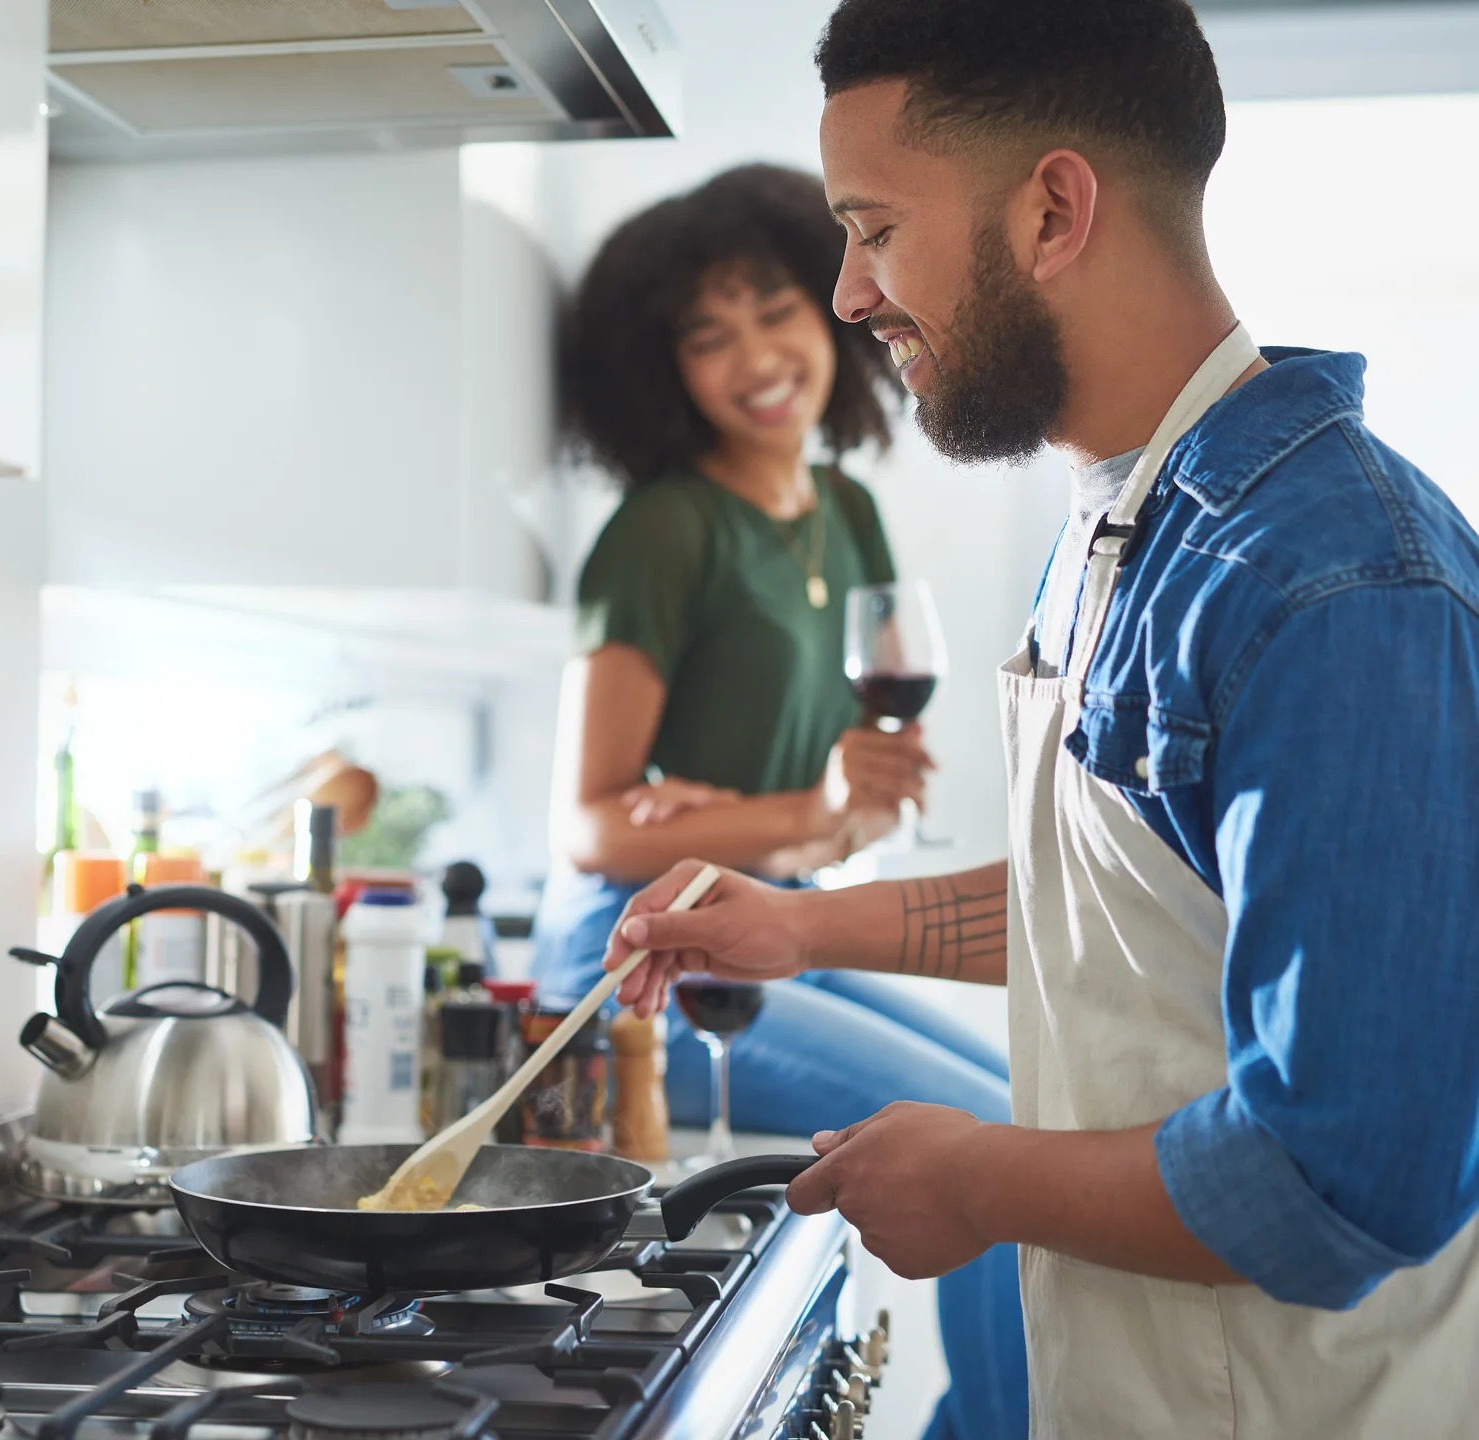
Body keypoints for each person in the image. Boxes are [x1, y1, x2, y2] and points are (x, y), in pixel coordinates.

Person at [607, 1, 1479, 1434]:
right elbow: (1146, 913)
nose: (847, 293)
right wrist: (802, 927)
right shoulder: (1124, 526)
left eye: (873, 228)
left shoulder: (1332, 586)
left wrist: (971, 1178)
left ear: (1051, 211)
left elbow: (1344, 1176)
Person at [533, 164, 1027, 1439]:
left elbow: (843, 818)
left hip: (776, 922)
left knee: (1040, 1111)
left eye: (773, 311)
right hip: (633, 959)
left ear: (833, 309)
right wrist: (800, 810)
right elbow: (590, 826)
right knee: (990, 1142)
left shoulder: (846, 511)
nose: (755, 356)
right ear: (662, 371)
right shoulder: (661, 531)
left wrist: (831, 815)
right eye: (707, 336)